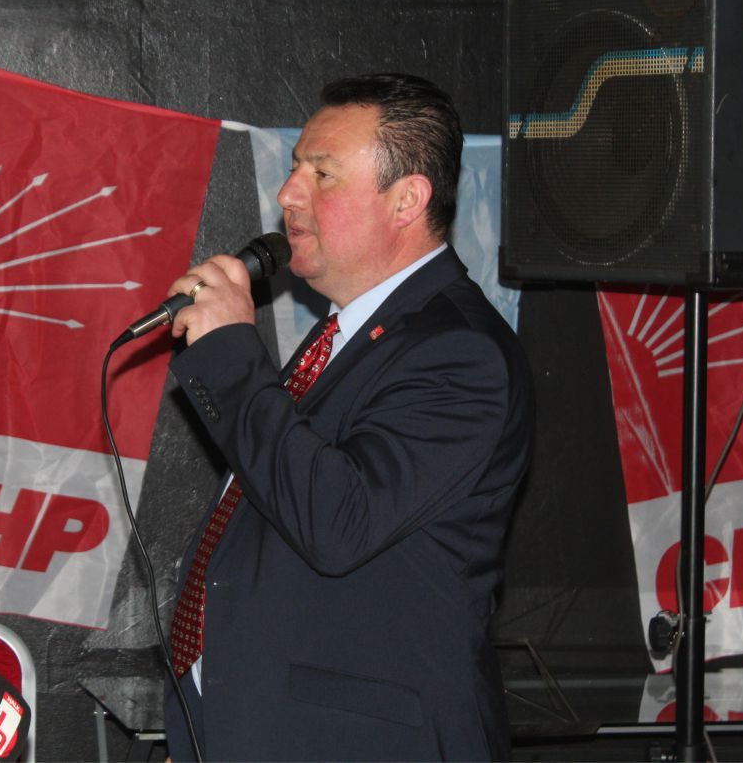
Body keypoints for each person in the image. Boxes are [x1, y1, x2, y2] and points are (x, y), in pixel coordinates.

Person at [161, 74, 535, 761]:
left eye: (322, 173)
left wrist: (233, 356)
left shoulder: (460, 351)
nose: (288, 193)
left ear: (406, 200)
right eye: (294, 167)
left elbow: (337, 521)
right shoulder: (347, 334)